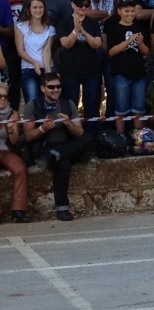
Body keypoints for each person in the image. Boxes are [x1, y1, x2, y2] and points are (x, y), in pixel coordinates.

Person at [21, 72, 94, 221]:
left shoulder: (68, 104)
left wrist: (69, 124)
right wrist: (43, 128)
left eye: (58, 86)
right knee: (63, 162)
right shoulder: (32, 105)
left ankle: (55, 154)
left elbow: (79, 133)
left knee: (88, 138)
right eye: (51, 87)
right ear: (42, 88)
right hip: (45, 147)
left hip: (67, 145)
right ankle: (62, 208)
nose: (56, 90)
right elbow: (28, 136)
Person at [57, 0, 103, 132]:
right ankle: (71, 134)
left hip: (91, 70)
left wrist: (84, 32)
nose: (83, 8)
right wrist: (75, 31)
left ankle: (92, 134)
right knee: (71, 103)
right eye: (80, 5)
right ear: (72, 4)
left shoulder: (92, 23)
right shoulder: (64, 22)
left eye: (86, 5)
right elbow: (66, 43)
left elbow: (97, 44)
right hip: (70, 70)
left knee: (92, 103)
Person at [104, 0, 149, 134]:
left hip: (139, 74)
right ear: (119, 11)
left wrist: (140, 43)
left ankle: (139, 138)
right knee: (120, 109)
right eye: (126, 10)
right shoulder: (114, 28)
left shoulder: (139, 28)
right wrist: (128, 41)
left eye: (132, 11)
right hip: (120, 74)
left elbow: (146, 51)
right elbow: (111, 52)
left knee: (138, 109)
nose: (130, 14)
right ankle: (121, 137)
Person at [14, 0, 55, 103]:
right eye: (35, 7)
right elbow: (20, 51)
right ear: (29, 9)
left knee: (48, 102)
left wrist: (48, 73)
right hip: (28, 69)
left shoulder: (50, 29)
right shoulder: (20, 27)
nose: (38, 10)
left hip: (46, 67)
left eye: (41, 7)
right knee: (32, 102)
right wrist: (34, 63)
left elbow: (47, 50)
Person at [0, 81, 31, 223]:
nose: (3, 99)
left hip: (5, 150)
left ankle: (18, 210)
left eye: (5, 96)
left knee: (20, 169)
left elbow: (14, 141)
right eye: (0, 96)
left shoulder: (13, 114)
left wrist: (11, 129)